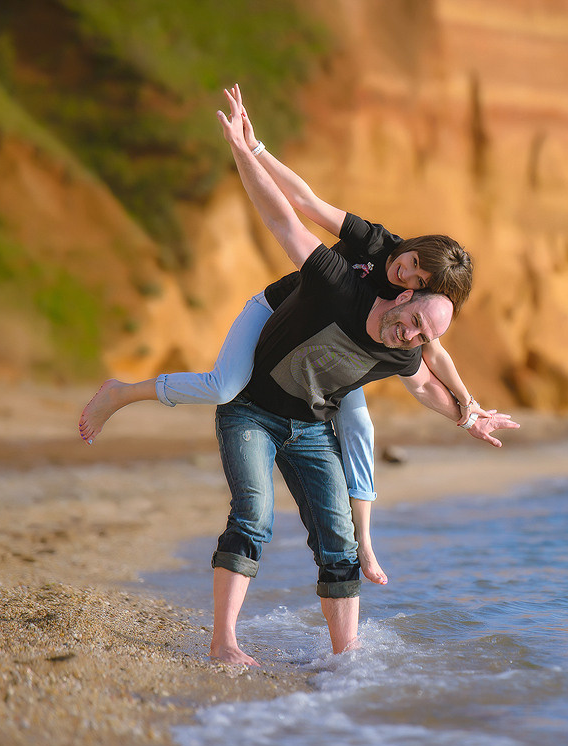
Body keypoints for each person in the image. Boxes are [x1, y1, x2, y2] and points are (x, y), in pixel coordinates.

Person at [78, 86, 487, 585]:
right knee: (225, 387)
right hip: (280, 313)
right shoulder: (379, 243)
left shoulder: (410, 317)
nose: (407, 276)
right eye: (413, 265)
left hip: (336, 356)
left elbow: (430, 359)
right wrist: (255, 150)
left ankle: (363, 543)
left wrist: (467, 407)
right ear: (416, 246)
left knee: (360, 429)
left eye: (420, 282)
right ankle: (122, 393)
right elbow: (303, 204)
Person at [209, 86, 518, 663]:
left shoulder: (412, 339)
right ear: (407, 282)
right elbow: (294, 211)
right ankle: (224, 642)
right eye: (406, 273)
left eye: (423, 331)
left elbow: (429, 374)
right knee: (253, 517)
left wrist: (466, 414)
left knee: (342, 531)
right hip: (257, 393)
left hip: (311, 421)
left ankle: (345, 659)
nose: (412, 331)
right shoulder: (355, 266)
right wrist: (249, 151)